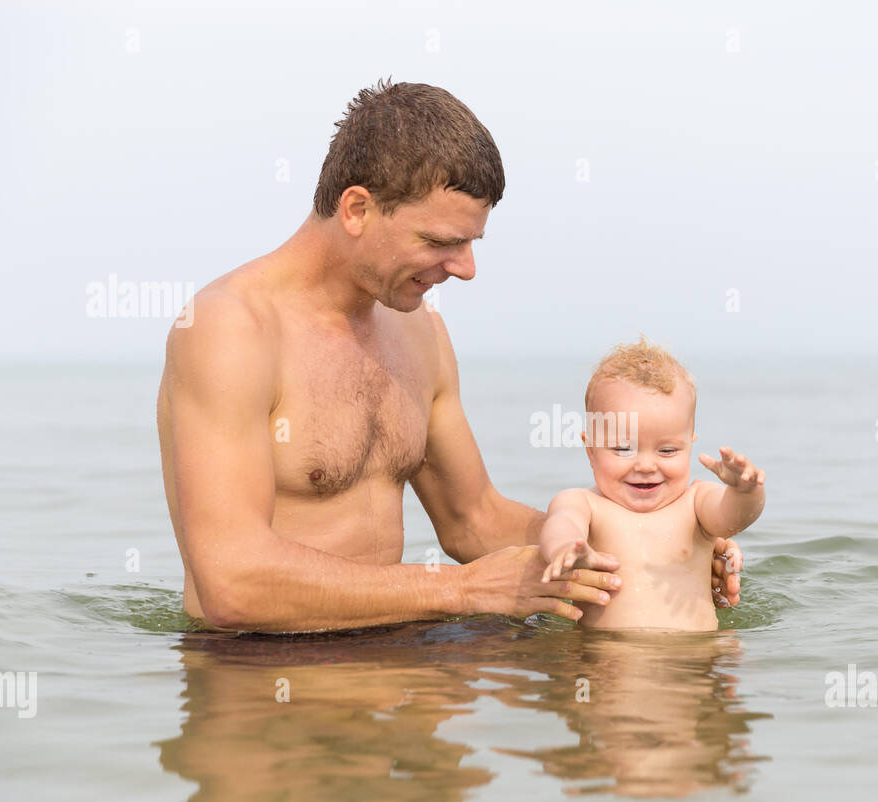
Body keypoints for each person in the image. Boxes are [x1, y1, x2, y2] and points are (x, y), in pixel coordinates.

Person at [155, 78, 742, 633]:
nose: (465, 268)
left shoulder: (418, 330)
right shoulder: (230, 327)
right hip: (264, 672)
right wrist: (461, 591)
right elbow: (230, 583)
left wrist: (650, 547)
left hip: (405, 648)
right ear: (356, 209)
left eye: (470, 242)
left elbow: (472, 519)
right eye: (439, 242)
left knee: (625, 686)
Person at [539, 340, 764, 630]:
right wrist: (565, 547)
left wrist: (746, 491)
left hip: (693, 663)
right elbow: (562, 522)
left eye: (667, 451)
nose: (646, 466)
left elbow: (734, 517)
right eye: (622, 449)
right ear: (590, 449)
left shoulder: (695, 504)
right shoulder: (584, 504)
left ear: (689, 446)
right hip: (604, 662)